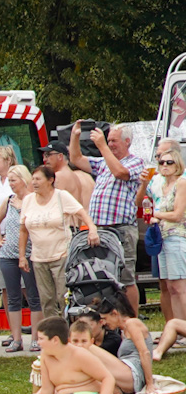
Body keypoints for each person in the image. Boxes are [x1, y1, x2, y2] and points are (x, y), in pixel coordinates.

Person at [24, 316, 155, 394]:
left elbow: (107, 378)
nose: (38, 342)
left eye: (41, 338)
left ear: (55, 340)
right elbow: (47, 389)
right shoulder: (46, 357)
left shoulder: (80, 355)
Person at [83, 123, 150, 306]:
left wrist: (102, 146)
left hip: (121, 228)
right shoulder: (104, 162)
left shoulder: (135, 161)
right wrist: (75, 136)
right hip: (101, 229)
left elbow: (121, 172)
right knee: (104, 278)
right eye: (108, 140)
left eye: (113, 140)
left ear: (127, 142)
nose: (110, 144)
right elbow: (76, 158)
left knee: (126, 278)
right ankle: (112, 321)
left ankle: (131, 323)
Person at [18, 164, 97, 318]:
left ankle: (69, 331)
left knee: (63, 296)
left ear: (50, 180)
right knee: (46, 299)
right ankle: (52, 335)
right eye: (32, 179)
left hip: (61, 255)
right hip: (39, 257)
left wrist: (92, 229)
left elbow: (82, 213)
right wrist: (22, 256)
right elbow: (23, 230)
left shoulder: (61, 196)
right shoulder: (28, 200)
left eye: (38, 179)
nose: (34, 182)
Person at [0, 164, 40, 353]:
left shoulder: (33, 200)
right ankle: (16, 338)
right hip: (8, 254)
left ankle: (35, 338)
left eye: (13, 180)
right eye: (10, 181)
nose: (11, 184)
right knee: (13, 297)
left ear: (23, 180)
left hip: (29, 254)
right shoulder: (9, 200)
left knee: (33, 296)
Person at [149, 142, 186, 328]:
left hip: (177, 237)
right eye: (161, 162)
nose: (164, 165)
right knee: (170, 287)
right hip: (162, 238)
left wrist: (156, 215)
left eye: (169, 162)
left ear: (177, 164)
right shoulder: (161, 185)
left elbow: (178, 215)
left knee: (180, 287)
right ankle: (178, 330)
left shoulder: (181, 183)